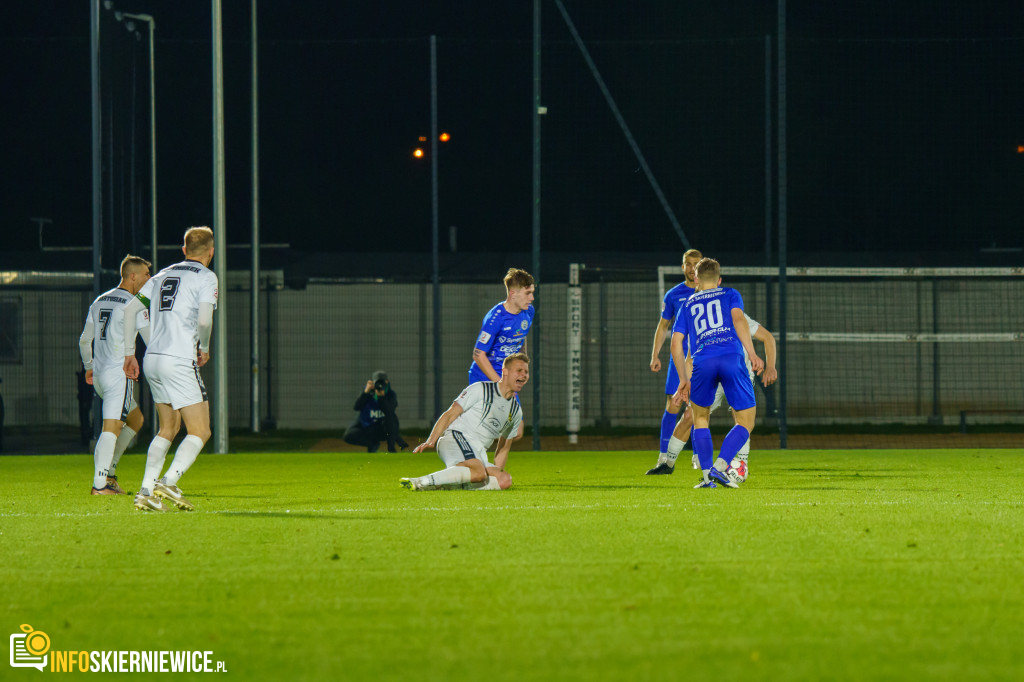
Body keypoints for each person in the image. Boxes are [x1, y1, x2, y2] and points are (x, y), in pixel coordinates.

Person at [122, 227, 218, 512]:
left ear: (184, 249)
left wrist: (130, 354)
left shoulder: (162, 274)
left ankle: (145, 492)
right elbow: (204, 321)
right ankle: (169, 481)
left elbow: (129, 312)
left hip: (153, 358)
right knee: (200, 431)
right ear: (211, 252)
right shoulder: (206, 277)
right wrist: (204, 347)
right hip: (178, 359)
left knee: (169, 427)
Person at [670, 258, 766, 489]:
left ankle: (706, 478)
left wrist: (683, 379)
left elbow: (676, 342)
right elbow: (738, 319)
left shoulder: (688, 304)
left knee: (700, 418)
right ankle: (720, 467)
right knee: (746, 421)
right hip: (731, 359)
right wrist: (752, 353)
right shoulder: (730, 294)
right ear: (719, 278)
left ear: (696, 278)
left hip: (702, 361)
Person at [662, 310, 778, 482]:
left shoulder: (738, 316)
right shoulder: (700, 323)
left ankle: (740, 465)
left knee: (742, 420)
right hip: (713, 377)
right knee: (689, 416)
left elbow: (768, 337)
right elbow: (690, 357)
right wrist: (686, 382)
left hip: (739, 375)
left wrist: (770, 367)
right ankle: (666, 464)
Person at [78, 254, 152, 495]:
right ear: (132, 276)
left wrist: (89, 366)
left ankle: (109, 472)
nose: (148, 279)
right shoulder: (134, 303)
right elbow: (150, 338)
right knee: (111, 428)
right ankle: (100, 484)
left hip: (99, 374)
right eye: (145, 275)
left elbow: (84, 340)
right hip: (118, 375)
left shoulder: (99, 300)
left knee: (135, 419)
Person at [401, 353, 530, 491]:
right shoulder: (481, 389)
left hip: (478, 452)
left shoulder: (516, 411)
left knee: (504, 480)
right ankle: (420, 482)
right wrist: (431, 440)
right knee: (478, 473)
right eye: (519, 370)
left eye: (526, 372)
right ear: (505, 371)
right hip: (456, 437)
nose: (524, 375)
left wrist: (497, 471)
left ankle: (449, 485)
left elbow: (504, 447)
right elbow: (450, 414)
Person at [646, 248, 702, 475]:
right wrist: (655, 354)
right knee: (673, 405)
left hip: (701, 360)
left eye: (696, 264)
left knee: (699, 408)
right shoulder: (673, 295)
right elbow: (663, 326)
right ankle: (663, 456)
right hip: (679, 361)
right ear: (683, 267)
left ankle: (699, 456)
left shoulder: (710, 293)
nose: (691, 268)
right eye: (688, 264)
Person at [469, 268, 535, 385]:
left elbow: (521, 335)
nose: (532, 298)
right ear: (513, 294)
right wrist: (500, 384)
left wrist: (522, 364)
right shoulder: (495, 318)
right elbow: (478, 355)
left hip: (506, 378)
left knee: (514, 404)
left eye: (532, 293)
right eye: (527, 293)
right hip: (483, 379)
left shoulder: (529, 311)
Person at [343, 371, 408, 452]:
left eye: (382, 382)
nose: (379, 385)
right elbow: (357, 407)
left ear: (386, 382)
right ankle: (372, 444)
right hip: (367, 427)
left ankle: (391, 448)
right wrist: (365, 393)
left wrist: (382, 398)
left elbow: (389, 412)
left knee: (390, 420)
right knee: (349, 435)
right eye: (377, 382)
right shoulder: (368, 393)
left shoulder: (391, 395)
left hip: (382, 429)